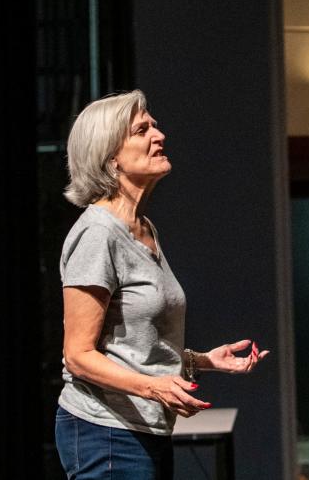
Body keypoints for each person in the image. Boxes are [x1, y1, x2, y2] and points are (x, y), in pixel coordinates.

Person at [54, 89, 268, 480]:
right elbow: (78, 356)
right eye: (142, 129)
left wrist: (200, 361)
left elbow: (131, 344)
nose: (159, 135)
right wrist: (153, 388)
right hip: (106, 431)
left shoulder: (143, 229)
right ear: (110, 157)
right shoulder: (97, 235)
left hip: (143, 429)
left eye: (154, 125)